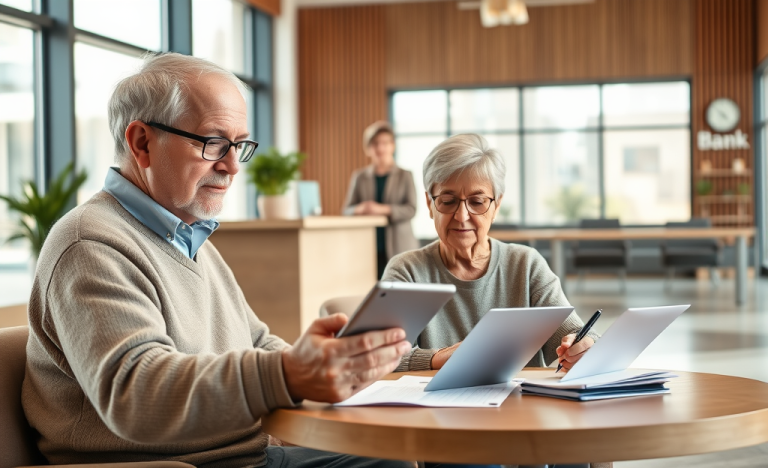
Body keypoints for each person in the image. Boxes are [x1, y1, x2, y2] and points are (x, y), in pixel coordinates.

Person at [22, 53, 414, 468]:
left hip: (244, 453)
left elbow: (259, 344)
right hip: (180, 463)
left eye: (238, 145)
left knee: (395, 457)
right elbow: (135, 394)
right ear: (142, 143)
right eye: (213, 143)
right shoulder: (89, 244)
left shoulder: (189, 237)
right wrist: (288, 374)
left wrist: (387, 359)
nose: (231, 166)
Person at [383, 135, 601, 468]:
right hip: (447, 424)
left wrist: (580, 345)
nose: (462, 215)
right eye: (448, 200)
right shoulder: (408, 269)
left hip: (528, 416)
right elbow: (383, 357)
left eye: (477, 201)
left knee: (574, 451)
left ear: (496, 205)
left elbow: (569, 331)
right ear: (429, 204)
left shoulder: (525, 263)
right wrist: (445, 357)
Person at [343, 121, 419, 278]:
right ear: (368, 148)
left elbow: (411, 209)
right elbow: (346, 210)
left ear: (393, 146)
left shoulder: (405, 175)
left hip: (399, 246)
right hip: (367, 247)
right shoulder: (360, 176)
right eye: (375, 143)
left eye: (385, 143)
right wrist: (360, 208)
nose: (380, 148)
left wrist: (382, 209)